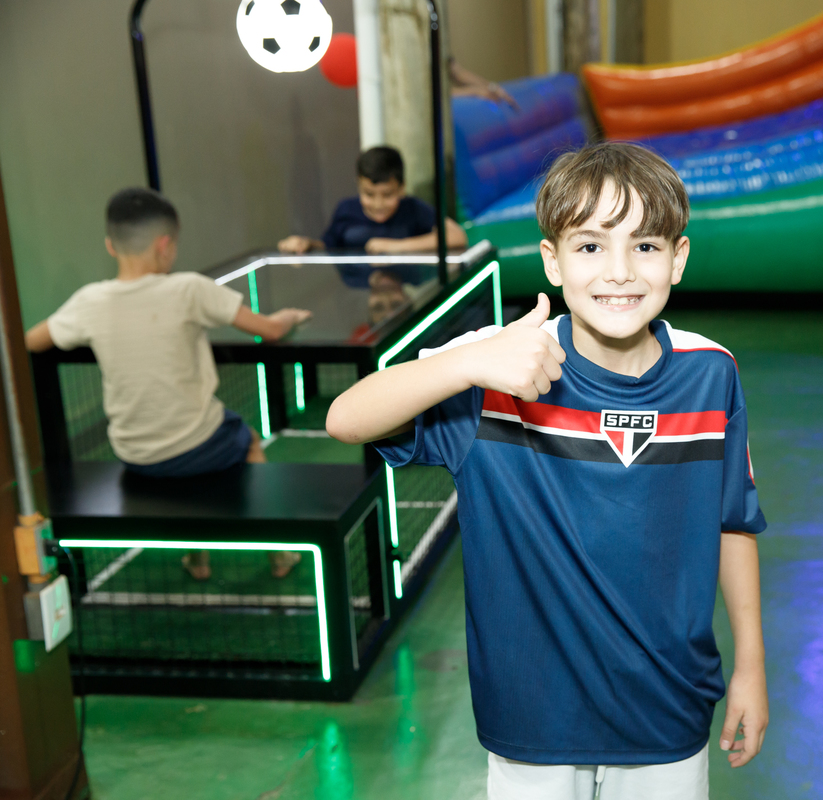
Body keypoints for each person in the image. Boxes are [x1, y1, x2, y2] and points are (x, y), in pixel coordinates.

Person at [326, 142, 768, 799]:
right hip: (531, 713)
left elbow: (731, 522)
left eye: (645, 246)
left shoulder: (711, 372)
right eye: (590, 246)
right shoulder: (495, 367)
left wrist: (751, 667)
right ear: (552, 261)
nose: (619, 272)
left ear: (677, 258)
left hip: (668, 707)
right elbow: (346, 419)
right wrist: (465, 363)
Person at [25, 188, 312, 580]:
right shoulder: (189, 288)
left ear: (110, 245)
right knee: (248, 440)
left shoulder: (89, 301)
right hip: (200, 445)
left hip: (136, 454)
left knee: (202, 442)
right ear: (165, 246)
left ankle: (198, 559)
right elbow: (270, 330)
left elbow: (30, 341)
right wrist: (291, 316)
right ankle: (279, 552)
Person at [277, 146, 467, 256]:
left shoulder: (413, 208)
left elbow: (457, 236)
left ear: (401, 188)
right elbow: (327, 246)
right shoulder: (346, 209)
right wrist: (306, 244)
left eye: (388, 195)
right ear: (358, 185)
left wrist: (395, 246)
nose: (378, 204)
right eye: (369, 194)